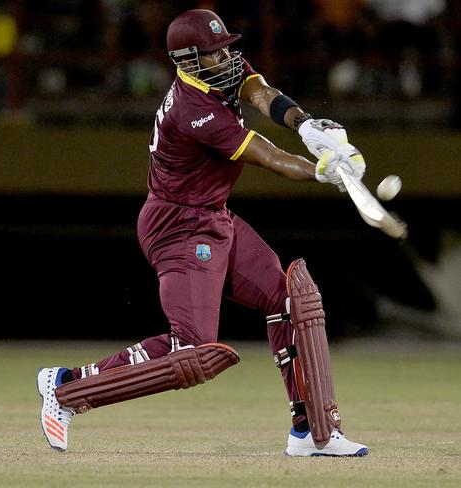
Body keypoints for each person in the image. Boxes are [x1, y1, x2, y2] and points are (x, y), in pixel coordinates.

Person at [37, 9, 369, 457]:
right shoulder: (195, 110)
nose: (229, 58)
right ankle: (66, 388)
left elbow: (259, 90)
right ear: (189, 61)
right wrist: (323, 171)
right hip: (177, 224)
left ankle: (310, 432)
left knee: (290, 299)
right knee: (190, 347)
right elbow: (267, 156)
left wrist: (307, 124)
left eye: (228, 47)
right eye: (217, 53)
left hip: (212, 215)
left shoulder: (218, 70)